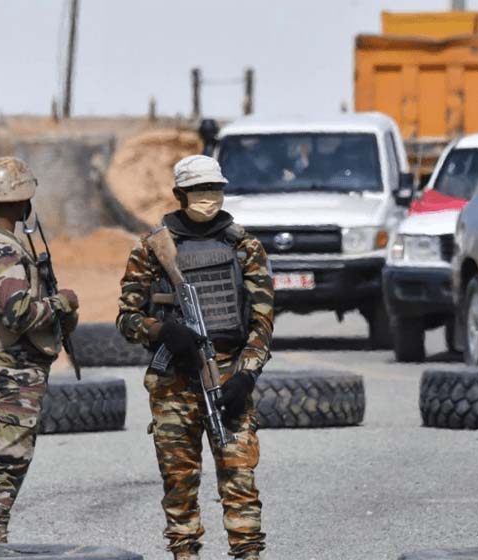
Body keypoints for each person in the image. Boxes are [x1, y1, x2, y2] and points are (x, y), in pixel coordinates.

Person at [116, 155, 274, 559]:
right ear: (179, 195)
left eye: (215, 190)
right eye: (200, 191)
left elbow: (262, 324)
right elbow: (127, 316)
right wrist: (162, 330)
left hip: (229, 378)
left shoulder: (245, 248)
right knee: (179, 484)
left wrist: (246, 377)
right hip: (173, 384)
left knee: (239, 480)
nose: (209, 198)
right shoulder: (152, 249)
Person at [0, 156, 79, 543]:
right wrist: (61, 302)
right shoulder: (1, 249)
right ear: (19, 199)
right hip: (11, 368)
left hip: (9, 365)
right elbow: (19, 313)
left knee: (9, 455)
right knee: (6, 458)